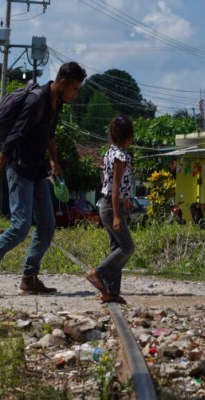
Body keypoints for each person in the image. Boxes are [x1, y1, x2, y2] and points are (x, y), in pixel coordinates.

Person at [0, 61, 87, 296]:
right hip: (19, 167)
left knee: (47, 225)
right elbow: (12, 138)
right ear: (62, 83)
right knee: (21, 226)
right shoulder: (36, 102)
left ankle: (29, 278)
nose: (75, 94)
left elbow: (49, 134)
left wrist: (54, 161)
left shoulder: (56, 103)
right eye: (74, 88)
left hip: (37, 169)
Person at [86, 114, 135, 304]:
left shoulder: (109, 153)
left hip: (107, 204)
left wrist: (124, 202)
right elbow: (114, 187)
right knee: (127, 247)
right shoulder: (120, 156)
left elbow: (109, 184)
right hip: (110, 206)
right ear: (128, 136)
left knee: (116, 247)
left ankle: (110, 291)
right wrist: (117, 215)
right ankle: (97, 273)